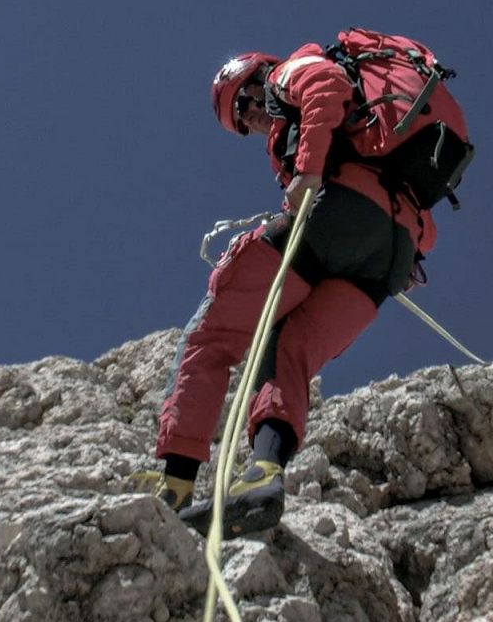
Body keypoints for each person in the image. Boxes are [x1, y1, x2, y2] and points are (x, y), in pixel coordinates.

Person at [141, 44, 437, 535]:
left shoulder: (290, 73)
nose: (251, 116)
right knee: (286, 349)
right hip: (389, 254)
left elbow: (326, 88)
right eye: (241, 119)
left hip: (334, 217)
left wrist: (307, 173)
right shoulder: (345, 132)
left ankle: (174, 484)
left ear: (257, 75)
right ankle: (264, 476)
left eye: (245, 101)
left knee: (210, 338)